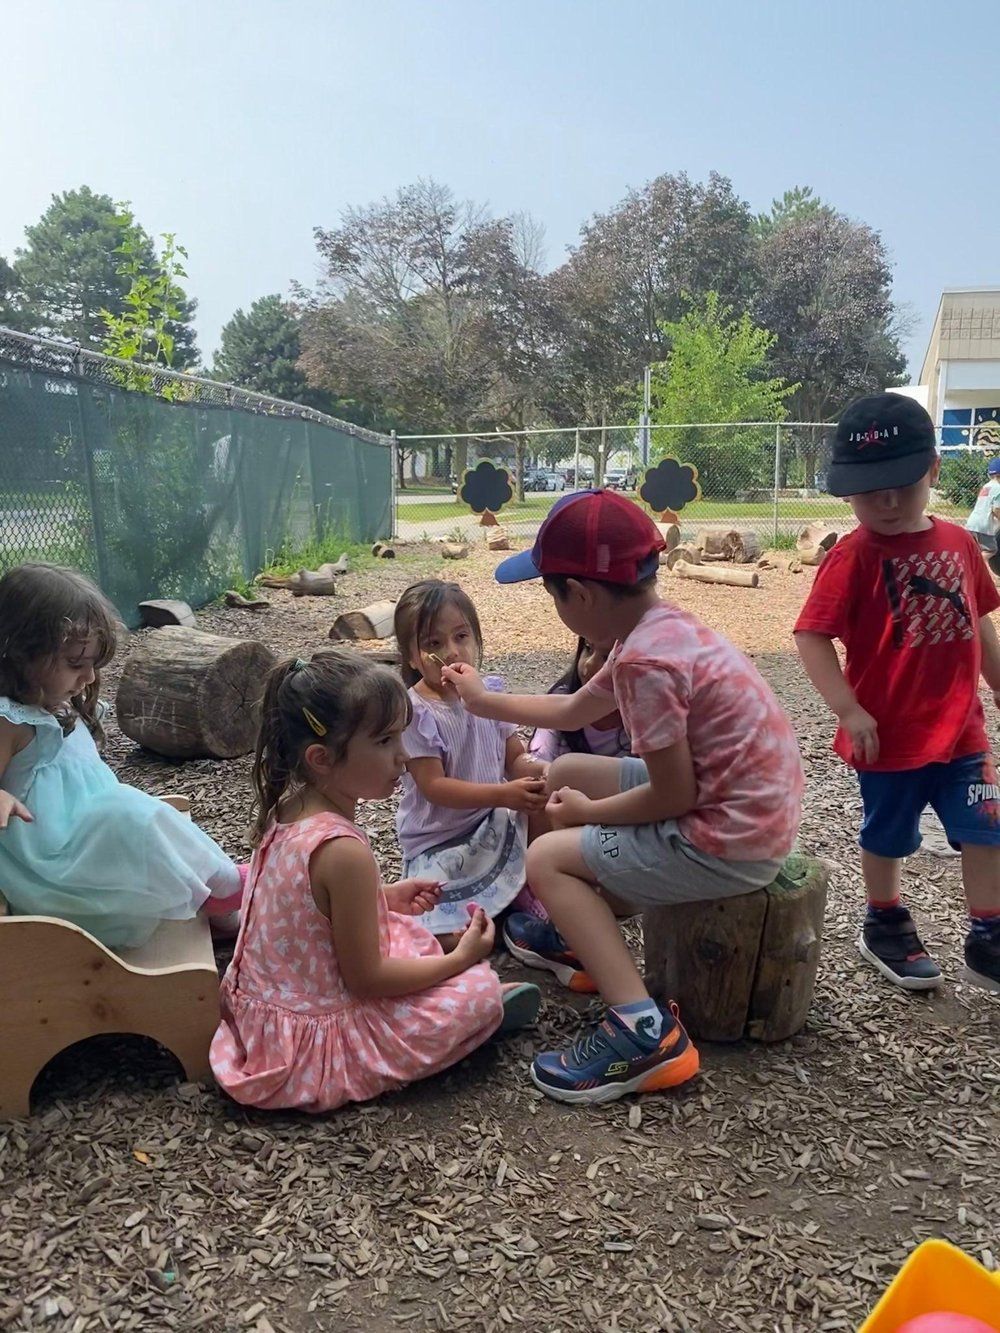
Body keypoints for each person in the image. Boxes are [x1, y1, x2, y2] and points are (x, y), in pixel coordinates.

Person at [443, 490, 803, 1105]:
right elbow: (577, 707)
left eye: (552, 593)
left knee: (547, 858)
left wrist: (586, 816)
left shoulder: (645, 663)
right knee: (570, 768)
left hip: (730, 838)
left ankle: (642, 1030)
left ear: (579, 596)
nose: (555, 605)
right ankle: (581, 927)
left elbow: (672, 793)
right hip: (741, 805)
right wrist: (483, 702)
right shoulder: (656, 628)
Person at [210, 650, 540, 1113]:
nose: (403, 758)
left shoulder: (287, 809)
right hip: (312, 1043)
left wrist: (383, 898)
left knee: (404, 931)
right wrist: (461, 960)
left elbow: (299, 903)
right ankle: (473, 1011)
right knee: (479, 991)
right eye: (385, 741)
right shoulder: (342, 850)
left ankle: (454, 993)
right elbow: (367, 980)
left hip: (261, 1014)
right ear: (322, 758)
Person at [795, 392, 1000, 995]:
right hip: (887, 736)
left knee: (987, 827)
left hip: (962, 730)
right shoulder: (853, 556)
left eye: (901, 485)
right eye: (867, 490)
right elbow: (811, 636)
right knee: (888, 834)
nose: (884, 501)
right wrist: (849, 709)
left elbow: (978, 621)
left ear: (933, 471)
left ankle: (988, 935)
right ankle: (884, 918)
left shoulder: (960, 544)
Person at [0, 563, 244, 950]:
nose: (90, 678)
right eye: (75, 664)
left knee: (132, 814)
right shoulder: (9, 721)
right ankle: (227, 891)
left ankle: (222, 890)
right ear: (18, 653)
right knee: (129, 814)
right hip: (57, 869)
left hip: (89, 847)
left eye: (94, 664)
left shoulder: (56, 705)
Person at [393, 580, 547, 936]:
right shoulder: (415, 712)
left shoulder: (489, 695)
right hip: (441, 839)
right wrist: (503, 795)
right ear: (413, 657)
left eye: (461, 637)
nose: (452, 652)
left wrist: (543, 773)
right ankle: (490, 912)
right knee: (436, 921)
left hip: (493, 819)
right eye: (434, 643)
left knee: (548, 810)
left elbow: (515, 760)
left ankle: (532, 890)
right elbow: (435, 787)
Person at [528, 639, 631, 764]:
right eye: (588, 648)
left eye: (607, 658)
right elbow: (535, 759)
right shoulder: (562, 695)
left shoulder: (647, 716)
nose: (589, 663)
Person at [964, 455, 1000, 575]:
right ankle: (974, 568)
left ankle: (968, 565)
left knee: (975, 548)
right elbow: (996, 509)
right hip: (984, 525)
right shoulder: (999, 488)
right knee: (991, 549)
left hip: (972, 522)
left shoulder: (986, 486)